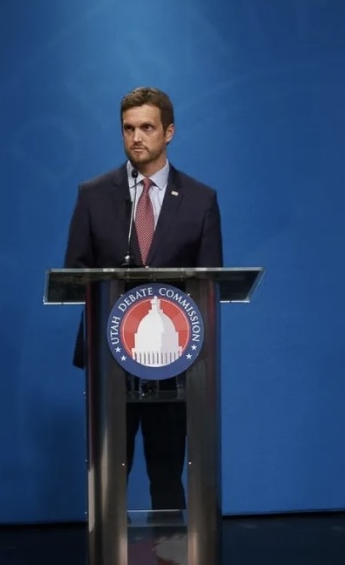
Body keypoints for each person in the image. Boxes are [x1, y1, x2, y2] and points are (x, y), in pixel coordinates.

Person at [61, 86, 224, 514]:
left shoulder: (201, 200)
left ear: (168, 132)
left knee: (166, 471)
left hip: (173, 362)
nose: (137, 137)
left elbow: (211, 284)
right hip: (109, 360)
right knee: (108, 473)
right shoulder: (94, 195)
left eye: (147, 128)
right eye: (128, 129)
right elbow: (76, 273)